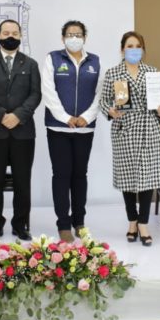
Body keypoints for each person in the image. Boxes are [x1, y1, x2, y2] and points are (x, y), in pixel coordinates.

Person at [0, 19, 41, 241]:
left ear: (20, 36)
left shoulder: (30, 64)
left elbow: (35, 94)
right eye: (6, 32)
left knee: (23, 180)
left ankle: (20, 224)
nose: (10, 36)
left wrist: (18, 115)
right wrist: (2, 115)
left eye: (14, 32)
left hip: (23, 132)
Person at [99, 31, 160, 247]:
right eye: (130, 46)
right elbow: (103, 101)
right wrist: (110, 111)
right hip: (124, 129)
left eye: (138, 46)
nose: (134, 49)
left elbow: (159, 103)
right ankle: (132, 221)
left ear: (143, 49)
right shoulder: (113, 73)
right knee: (127, 178)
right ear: (122, 49)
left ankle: (143, 224)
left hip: (148, 128)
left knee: (148, 178)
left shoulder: (152, 72)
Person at [41, 20, 102, 243]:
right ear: (62, 38)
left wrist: (86, 117)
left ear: (84, 37)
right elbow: (48, 91)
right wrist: (67, 118)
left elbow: (100, 93)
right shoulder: (53, 59)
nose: (74, 38)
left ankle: (79, 222)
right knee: (61, 175)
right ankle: (63, 224)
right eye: (69, 34)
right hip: (58, 127)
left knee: (79, 175)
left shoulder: (95, 61)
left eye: (78, 34)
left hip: (85, 129)